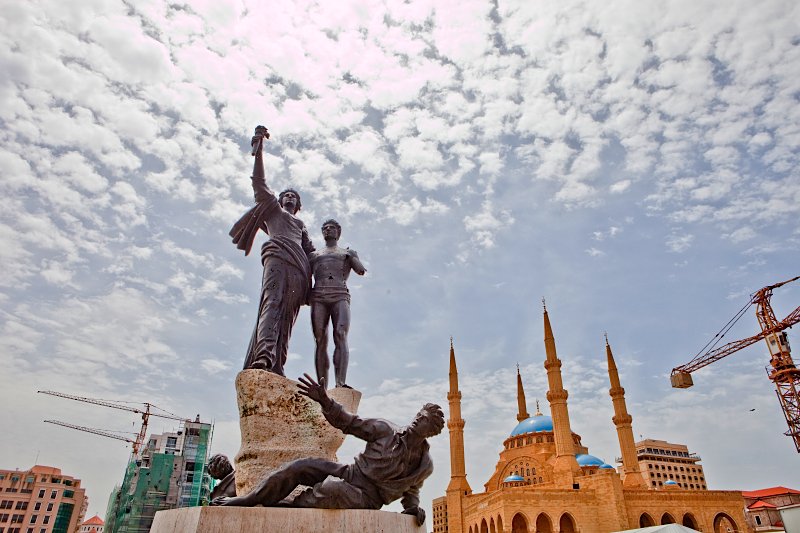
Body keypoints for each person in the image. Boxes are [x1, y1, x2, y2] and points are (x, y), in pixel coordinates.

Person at [211, 374, 444, 527]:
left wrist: (412, 508)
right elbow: (350, 422)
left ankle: (288, 508)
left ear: (430, 431)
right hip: (351, 472)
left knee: (332, 489)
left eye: (424, 420)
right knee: (301, 466)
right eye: (419, 415)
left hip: (368, 496)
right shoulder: (385, 430)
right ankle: (250, 499)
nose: (417, 419)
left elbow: (412, 489)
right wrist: (325, 400)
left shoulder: (424, 464)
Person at [229, 126, 315, 374]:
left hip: (300, 269)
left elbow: (312, 254)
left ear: (298, 205)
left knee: (287, 317)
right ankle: (264, 356)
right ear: (279, 200)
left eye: (294, 197)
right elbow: (259, 182)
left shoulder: (300, 225)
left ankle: (278, 364)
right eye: (285, 195)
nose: (289, 198)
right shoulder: (274, 211)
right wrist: (259, 151)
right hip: (277, 258)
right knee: (273, 304)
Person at [309, 219, 366, 388]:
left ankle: (340, 382)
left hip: (339, 294)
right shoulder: (314, 255)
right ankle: (322, 386)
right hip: (318, 295)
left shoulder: (347, 253)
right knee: (320, 339)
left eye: (332, 228)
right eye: (325, 228)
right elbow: (304, 276)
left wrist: (353, 257)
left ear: (338, 233)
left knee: (340, 335)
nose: (328, 230)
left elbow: (360, 270)